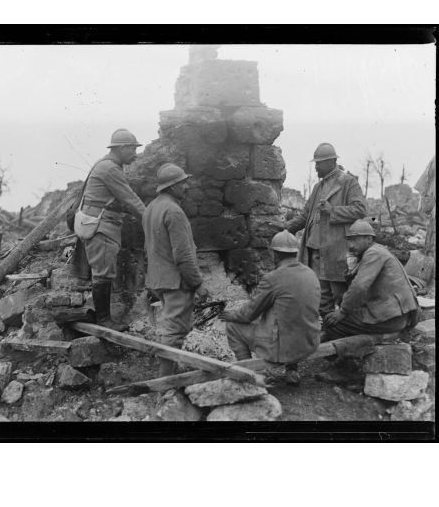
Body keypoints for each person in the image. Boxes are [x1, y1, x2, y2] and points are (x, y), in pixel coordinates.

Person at [220, 230, 321, 385]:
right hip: (308, 343)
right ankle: (292, 370)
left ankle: (251, 375)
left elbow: (249, 314)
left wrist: (231, 315)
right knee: (288, 316)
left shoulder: (272, 279)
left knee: (233, 326)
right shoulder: (310, 273)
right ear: (295, 252)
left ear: (275, 254)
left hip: (284, 348)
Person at [285, 143, 367, 318]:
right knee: (320, 295)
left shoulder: (348, 182)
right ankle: (328, 330)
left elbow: (360, 209)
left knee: (340, 293)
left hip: (336, 249)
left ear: (331, 162)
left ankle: (351, 329)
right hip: (315, 249)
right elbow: (306, 215)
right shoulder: (318, 187)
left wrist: (333, 211)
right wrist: (286, 229)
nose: (315, 167)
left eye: (319, 163)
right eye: (315, 163)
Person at [142, 163, 209, 377]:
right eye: (182, 183)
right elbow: (183, 256)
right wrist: (198, 284)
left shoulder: (151, 208)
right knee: (174, 331)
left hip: (159, 280)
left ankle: (170, 373)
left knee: (171, 326)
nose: (187, 186)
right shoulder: (174, 211)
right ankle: (166, 382)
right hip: (175, 281)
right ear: (171, 187)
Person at [80, 129, 146, 331]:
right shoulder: (110, 169)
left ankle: (102, 318)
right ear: (122, 148)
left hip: (101, 223)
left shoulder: (106, 165)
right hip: (102, 226)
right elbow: (131, 200)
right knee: (103, 273)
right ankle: (104, 321)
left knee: (103, 272)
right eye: (133, 149)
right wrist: (153, 219)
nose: (135, 154)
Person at [322, 220, 419, 341]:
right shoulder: (376, 251)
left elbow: (359, 287)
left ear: (369, 239)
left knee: (332, 324)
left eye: (355, 240)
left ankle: (349, 359)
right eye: (349, 240)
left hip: (392, 318)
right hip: (397, 315)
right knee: (335, 320)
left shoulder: (374, 253)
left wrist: (343, 311)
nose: (351, 245)